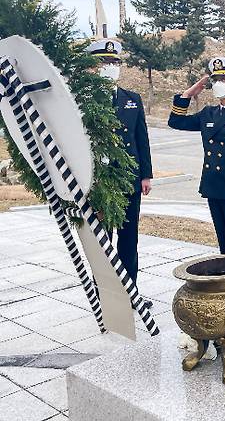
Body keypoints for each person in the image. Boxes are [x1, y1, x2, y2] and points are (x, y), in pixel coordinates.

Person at [168, 58, 225, 254]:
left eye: (224, 79)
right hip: (213, 186)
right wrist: (188, 94)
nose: (218, 84)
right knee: (224, 240)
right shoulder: (208, 113)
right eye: (215, 79)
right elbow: (176, 121)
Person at [86, 39, 154, 309]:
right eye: (104, 62)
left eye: (114, 63)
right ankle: (105, 294)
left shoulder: (131, 99)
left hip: (128, 180)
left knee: (129, 237)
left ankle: (131, 291)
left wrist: (145, 174)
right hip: (100, 183)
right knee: (103, 239)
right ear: (93, 66)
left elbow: (142, 139)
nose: (110, 67)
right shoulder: (85, 99)